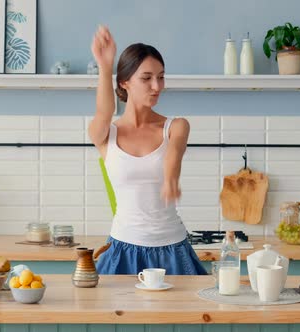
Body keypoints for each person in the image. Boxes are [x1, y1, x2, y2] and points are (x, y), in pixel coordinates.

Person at [88, 26, 207, 275]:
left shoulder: (176, 126)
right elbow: (104, 112)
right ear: (124, 82)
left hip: (172, 249)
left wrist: (171, 178)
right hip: (122, 249)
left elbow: (174, 153)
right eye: (147, 78)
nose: (157, 86)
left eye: (161, 77)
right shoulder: (105, 134)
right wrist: (105, 65)